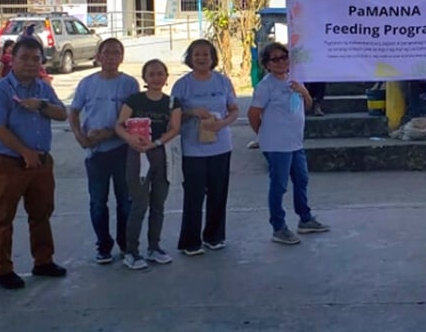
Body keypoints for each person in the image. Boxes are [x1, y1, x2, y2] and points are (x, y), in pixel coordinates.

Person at [0, 37, 68, 289]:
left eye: (36, 58)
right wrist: (24, 152)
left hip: (41, 162)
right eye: (24, 58)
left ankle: (43, 261)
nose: (30, 63)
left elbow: (62, 113)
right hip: (9, 162)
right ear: (12, 60)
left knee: (41, 213)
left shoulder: (43, 88)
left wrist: (41, 106)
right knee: (3, 216)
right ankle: (3, 269)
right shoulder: (1, 91)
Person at [248, 42, 329, 245]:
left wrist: (303, 91)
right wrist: (264, 134)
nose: (282, 62)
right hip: (276, 146)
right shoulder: (265, 87)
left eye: (284, 58)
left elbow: (308, 105)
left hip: (295, 143)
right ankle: (278, 227)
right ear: (267, 64)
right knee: (279, 185)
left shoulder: (295, 81)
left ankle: (305, 218)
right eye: (275, 59)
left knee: (301, 180)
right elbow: (253, 114)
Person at [68, 38, 139, 264]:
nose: (111, 57)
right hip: (95, 152)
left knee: (125, 201)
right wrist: (80, 136)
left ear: (122, 56)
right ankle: (103, 246)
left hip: (121, 149)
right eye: (106, 53)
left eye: (116, 53)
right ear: (98, 56)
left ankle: (126, 245)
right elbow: (74, 111)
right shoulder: (87, 84)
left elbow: (132, 118)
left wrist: (110, 133)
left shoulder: (129, 84)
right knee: (98, 201)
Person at [173, 39, 239, 256]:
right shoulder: (182, 85)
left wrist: (222, 123)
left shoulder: (223, 82)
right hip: (193, 148)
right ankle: (190, 242)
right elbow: (172, 116)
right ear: (190, 59)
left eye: (206, 54)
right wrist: (192, 112)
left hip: (221, 147)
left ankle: (214, 236)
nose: (201, 58)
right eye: (197, 55)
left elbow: (234, 110)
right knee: (194, 194)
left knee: (218, 193)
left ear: (213, 58)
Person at [114, 59, 182, 270]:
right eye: (151, 74)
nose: (156, 78)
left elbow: (175, 128)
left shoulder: (172, 103)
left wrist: (157, 142)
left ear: (166, 77)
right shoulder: (134, 100)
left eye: (160, 73)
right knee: (139, 204)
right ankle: (131, 251)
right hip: (138, 156)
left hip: (162, 155)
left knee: (158, 204)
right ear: (144, 78)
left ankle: (154, 247)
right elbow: (119, 125)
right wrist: (131, 140)